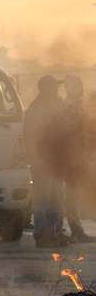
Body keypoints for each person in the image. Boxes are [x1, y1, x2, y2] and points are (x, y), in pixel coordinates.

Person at [24, 75, 67, 248]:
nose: (57, 90)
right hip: (43, 160)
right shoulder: (38, 108)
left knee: (56, 198)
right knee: (44, 200)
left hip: (56, 160)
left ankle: (53, 233)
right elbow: (31, 136)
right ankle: (43, 234)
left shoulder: (54, 105)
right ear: (45, 89)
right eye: (54, 87)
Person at [59, 75, 95, 243]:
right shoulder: (69, 106)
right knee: (71, 194)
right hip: (72, 155)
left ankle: (76, 227)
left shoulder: (79, 104)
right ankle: (76, 229)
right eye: (76, 85)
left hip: (81, 153)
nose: (80, 87)